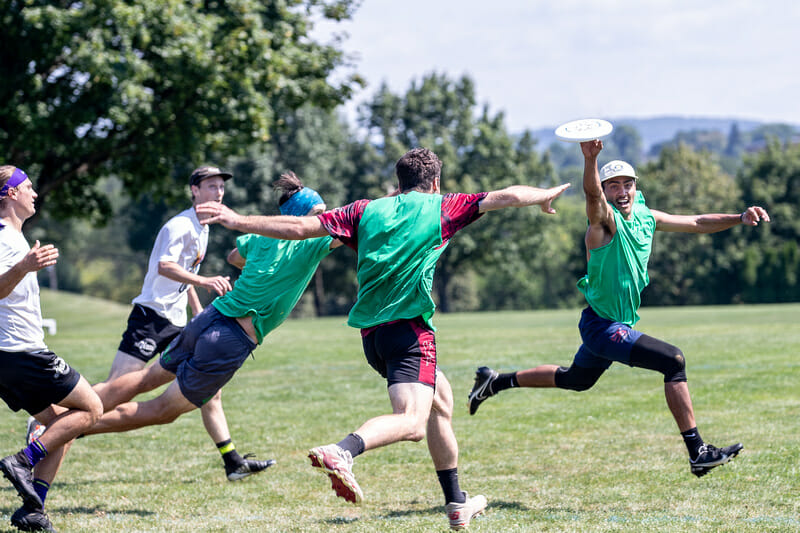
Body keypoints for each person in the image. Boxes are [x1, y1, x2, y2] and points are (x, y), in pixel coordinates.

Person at [196, 147, 571, 530]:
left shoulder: (364, 210)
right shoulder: (443, 206)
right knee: (411, 422)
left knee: (441, 400)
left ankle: (457, 502)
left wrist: (236, 219)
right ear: (435, 183)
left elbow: (297, 229)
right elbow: (505, 196)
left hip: (373, 337)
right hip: (410, 331)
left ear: (398, 183)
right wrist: (543, 195)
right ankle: (343, 451)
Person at [468, 140, 770, 478]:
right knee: (673, 360)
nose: (622, 191)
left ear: (636, 186)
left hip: (610, 324)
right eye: (614, 186)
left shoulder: (646, 216)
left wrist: (739, 217)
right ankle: (697, 451)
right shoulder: (604, 224)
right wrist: (590, 160)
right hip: (603, 327)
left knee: (576, 379)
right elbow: (593, 200)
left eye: (627, 184)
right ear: (606, 191)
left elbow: (698, 222)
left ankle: (494, 382)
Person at [85, 174, 341, 477]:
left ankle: (63, 416)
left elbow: (235, 256)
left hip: (207, 318)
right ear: (299, 217)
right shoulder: (311, 244)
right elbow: (357, 225)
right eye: (318, 213)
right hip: (227, 338)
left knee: (146, 379)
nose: (326, 218)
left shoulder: (259, 237)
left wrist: (264, 270)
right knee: (162, 410)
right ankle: (66, 427)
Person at [0, 165, 104, 532]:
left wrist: (27, 263)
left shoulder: (14, 238)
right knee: (92, 408)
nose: (35, 193)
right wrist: (25, 266)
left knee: (61, 425)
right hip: (19, 352)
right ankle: (22, 461)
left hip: (14, 354)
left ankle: (33, 508)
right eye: (28, 187)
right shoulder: (3, 240)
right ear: (10, 194)